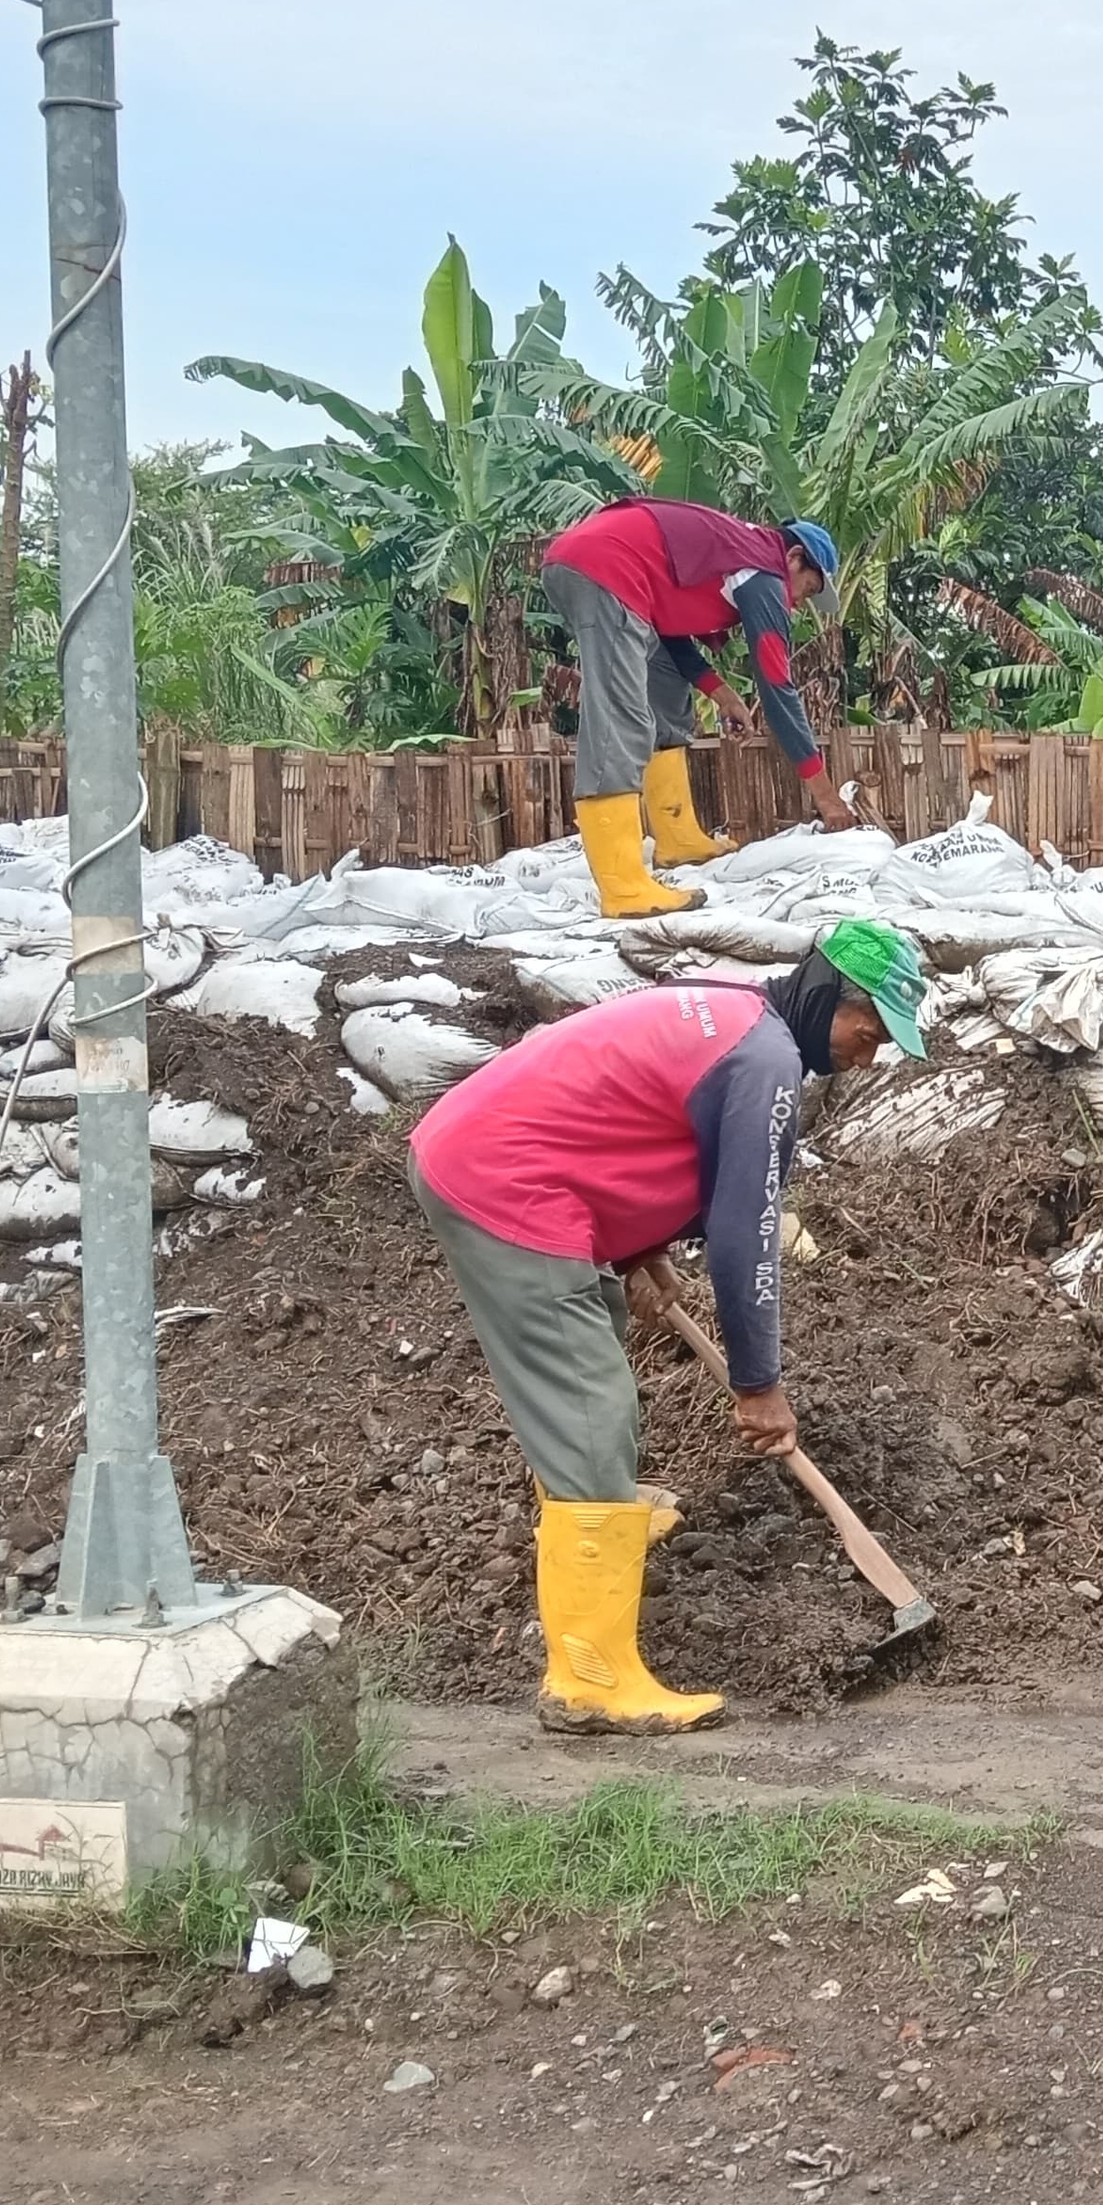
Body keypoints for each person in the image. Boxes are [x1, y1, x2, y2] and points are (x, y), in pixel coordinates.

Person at [405, 918, 933, 1734]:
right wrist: (759, 1385)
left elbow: (631, 1119)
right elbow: (744, 1233)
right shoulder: (766, 1063)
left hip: (498, 1156)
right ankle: (590, 1680)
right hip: (505, 1182)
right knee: (589, 1402)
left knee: (594, 1348)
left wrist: (643, 1250)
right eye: (868, 1032)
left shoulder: (737, 1016)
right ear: (829, 994)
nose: (869, 1054)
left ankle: (600, 1505)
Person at [537, 495, 854, 921]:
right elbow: (778, 689)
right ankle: (624, 888)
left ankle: (677, 839)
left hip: (603, 567)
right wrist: (828, 799)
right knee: (621, 717)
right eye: (808, 589)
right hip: (605, 569)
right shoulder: (762, 573)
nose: (796, 603)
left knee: (666, 692)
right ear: (794, 558)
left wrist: (720, 691)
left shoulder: (738, 554)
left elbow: (668, 634)